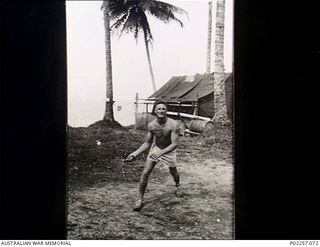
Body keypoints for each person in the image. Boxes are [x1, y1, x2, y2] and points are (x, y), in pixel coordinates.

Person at [125, 101, 182, 211]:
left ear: (166, 111)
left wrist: (161, 153)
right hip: (156, 149)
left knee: (173, 171)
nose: (161, 111)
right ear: (155, 111)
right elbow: (147, 143)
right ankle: (140, 200)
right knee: (145, 173)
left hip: (169, 150)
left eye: (163, 109)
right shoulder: (151, 125)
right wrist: (135, 154)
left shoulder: (173, 124)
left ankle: (178, 186)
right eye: (159, 109)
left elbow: (174, 144)